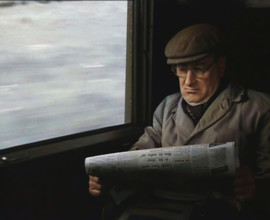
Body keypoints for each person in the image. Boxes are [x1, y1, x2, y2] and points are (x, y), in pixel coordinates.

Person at [89, 24, 270, 219]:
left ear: (220, 66)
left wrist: (255, 187)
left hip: (220, 207)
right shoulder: (168, 106)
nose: (188, 81)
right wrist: (111, 178)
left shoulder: (258, 108)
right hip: (163, 203)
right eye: (182, 70)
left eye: (199, 70)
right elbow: (140, 153)